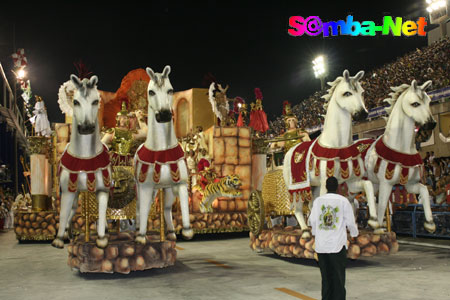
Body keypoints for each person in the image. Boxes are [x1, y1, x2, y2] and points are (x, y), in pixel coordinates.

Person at [308, 176, 359, 300]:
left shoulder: (318, 201)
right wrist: (354, 234)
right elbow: (350, 222)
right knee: (338, 278)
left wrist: (316, 233)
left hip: (322, 247)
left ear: (325, 187)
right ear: (337, 187)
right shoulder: (343, 201)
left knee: (326, 277)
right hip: (337, 245)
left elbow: (312, 220)